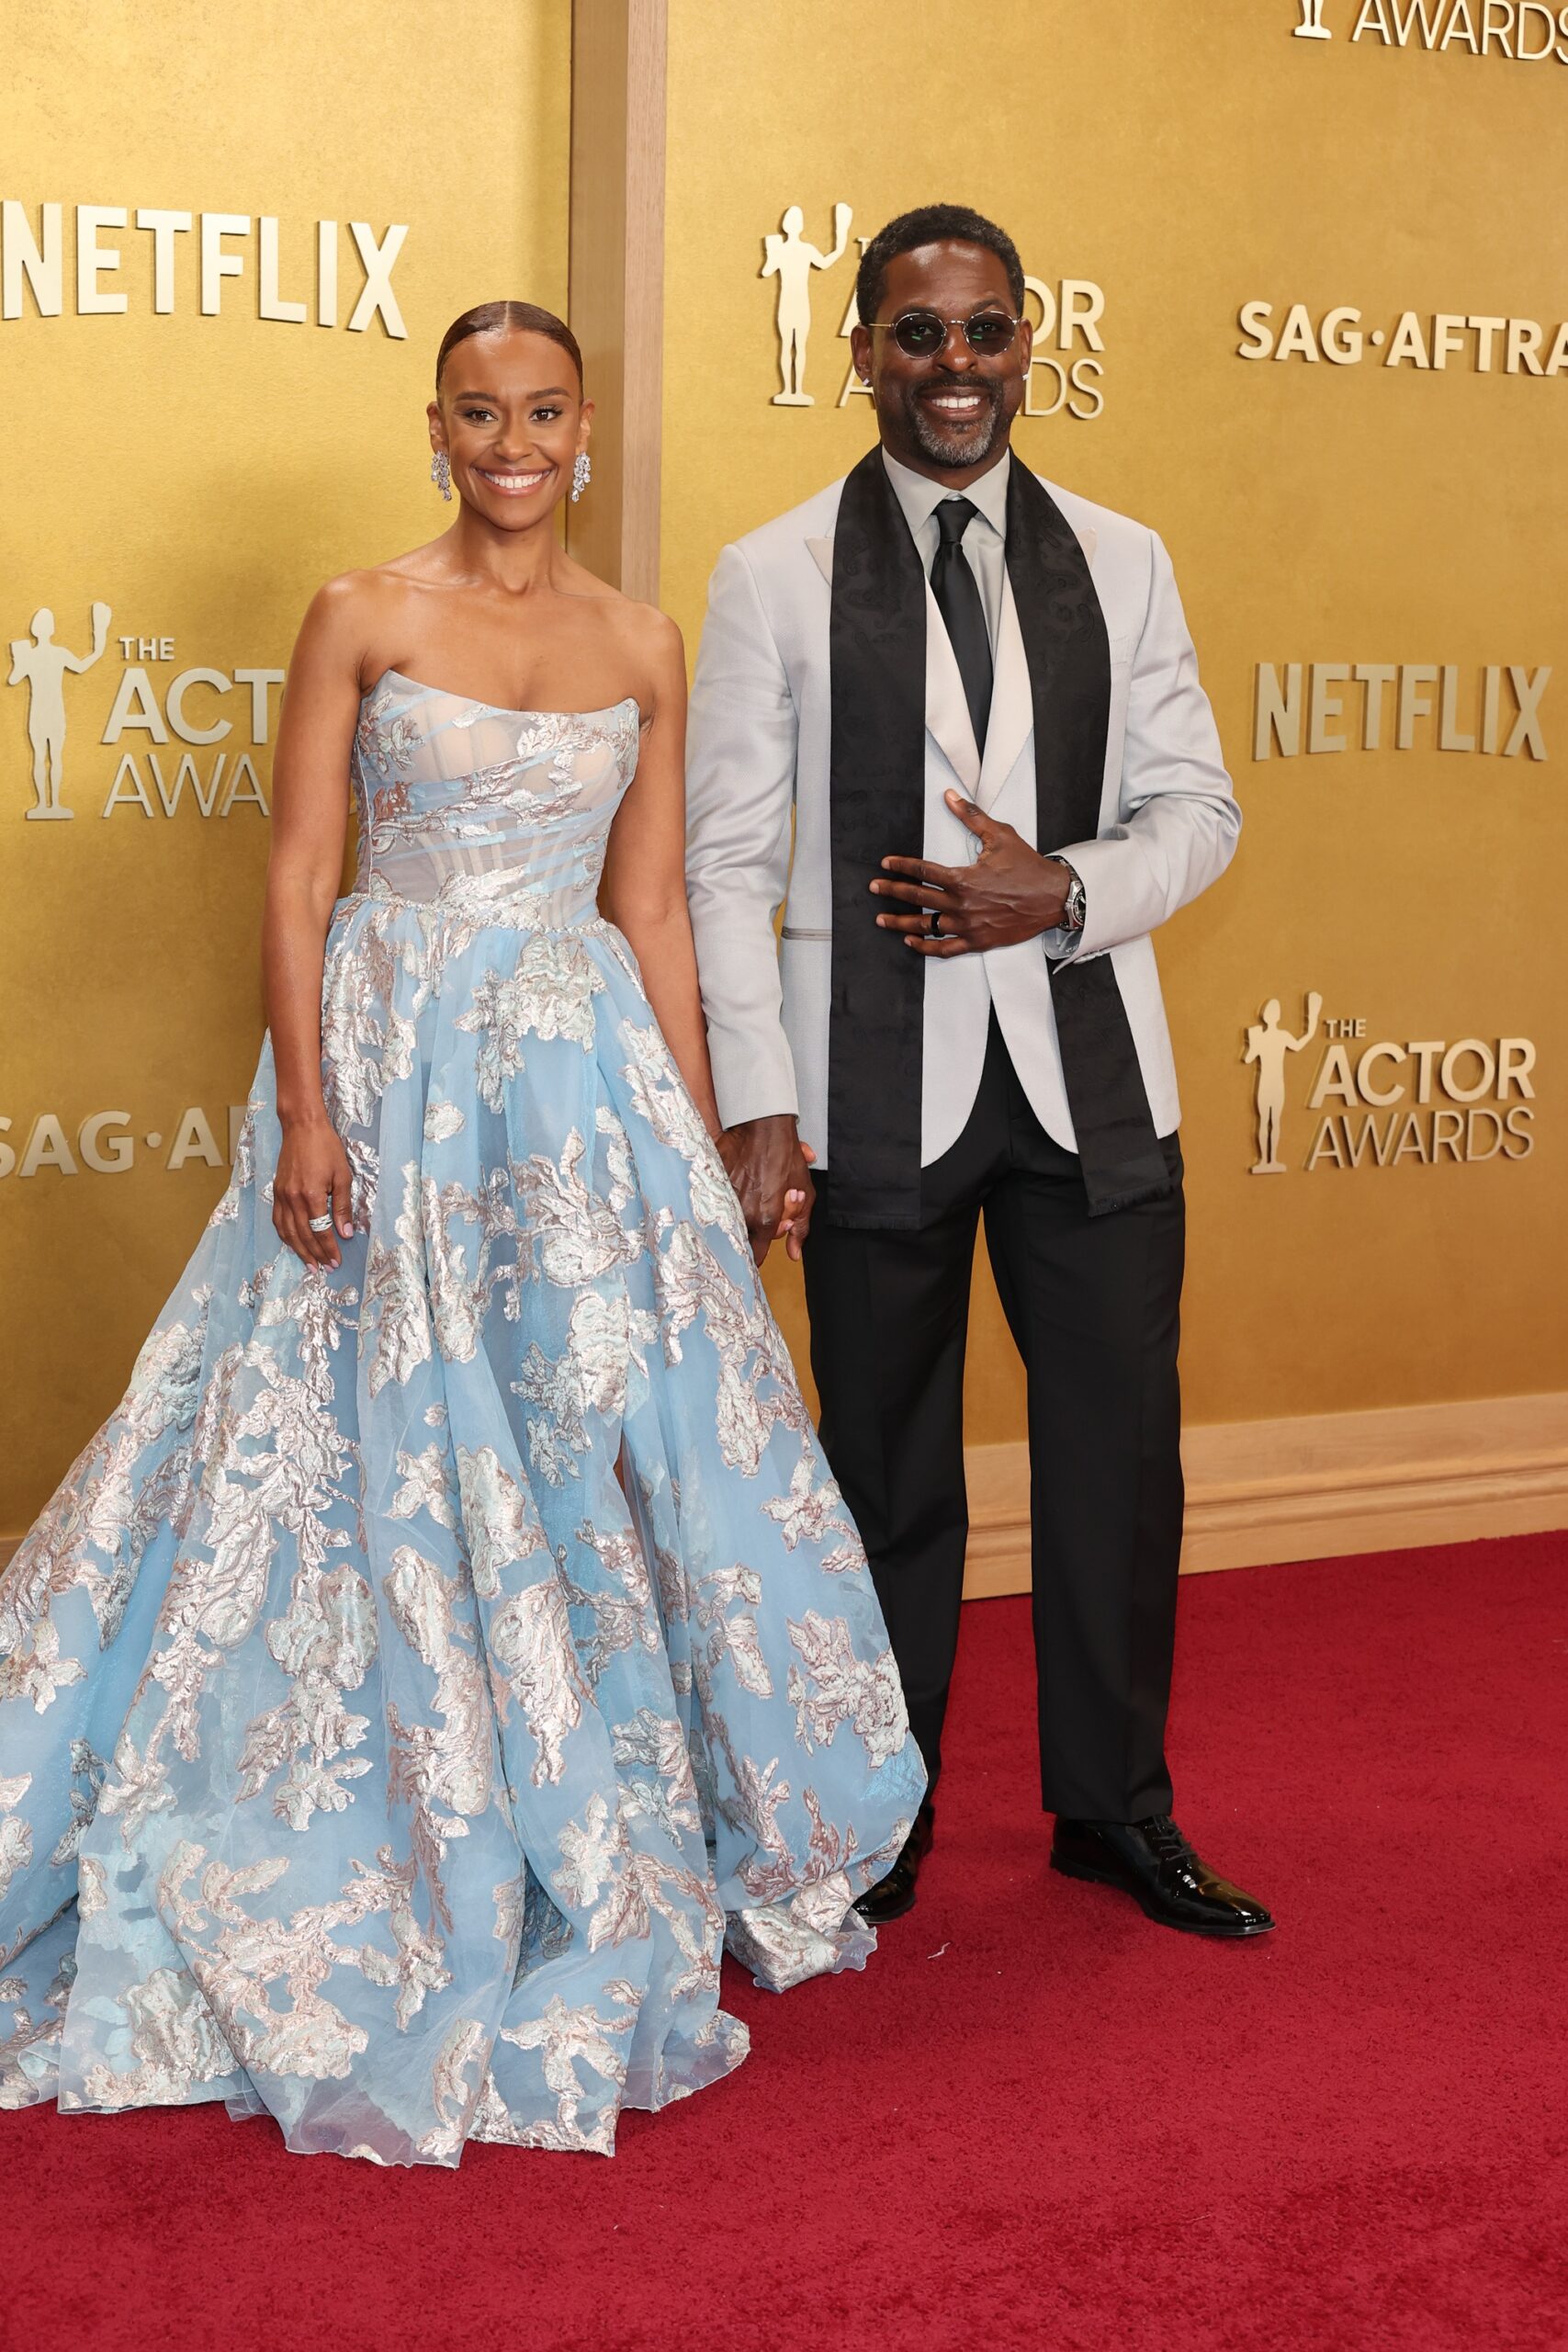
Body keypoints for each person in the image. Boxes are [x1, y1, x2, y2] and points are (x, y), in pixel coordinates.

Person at [0, 300, 925, 2165]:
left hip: (574, 1087)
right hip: (392, 1056)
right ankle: (380, 1803)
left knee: (576, 1445)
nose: (512, 440)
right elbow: (297, 873)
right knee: (359, 1440)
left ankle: (578, 1806)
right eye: (479, 411)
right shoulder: (363, 611)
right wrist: (312, 1107)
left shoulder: (642, 641)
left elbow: (653, 908)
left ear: (586, 430)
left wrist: (691, 1133)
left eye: (544, 411)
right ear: (436, 426)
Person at [686, 206, 1271, 1937]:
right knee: (883, 1481)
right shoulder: (772, 570)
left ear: (1032, 345)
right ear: (861, 349)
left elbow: (1202, 812)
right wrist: (759, 1104)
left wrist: (1064, 890)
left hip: (1089, 1081)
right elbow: (726, 861)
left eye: (987, 332)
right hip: (873, 1096)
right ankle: (882, 1818)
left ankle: (1114, 1811)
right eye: (920, 334)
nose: (958, 366)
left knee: (1117, 1461)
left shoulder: (1125, 554)